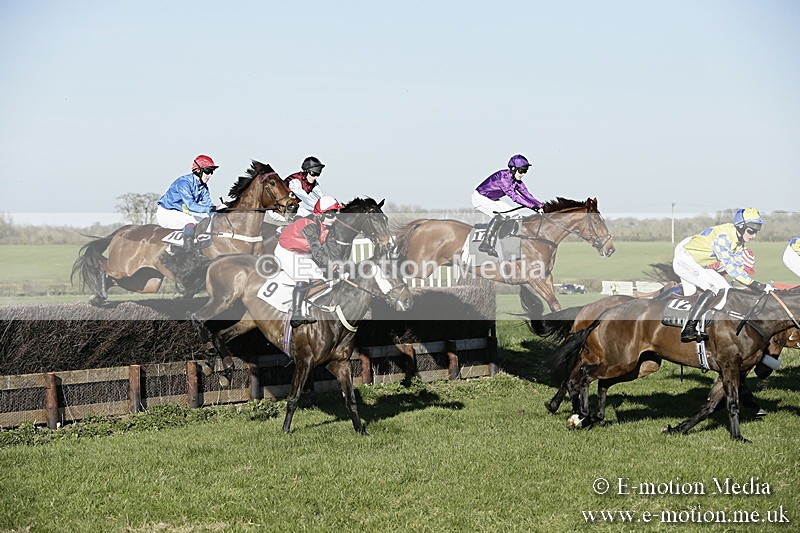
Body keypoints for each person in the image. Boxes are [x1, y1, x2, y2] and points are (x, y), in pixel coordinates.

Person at [672, 208, 773, 343]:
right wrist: (756, 285)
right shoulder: (723, 238)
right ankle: (688, 329)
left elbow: (738, 268)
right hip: (684, 261)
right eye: (751, 230)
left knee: (726, 289)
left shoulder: (738, 242)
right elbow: (732, 269)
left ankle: (713, 326)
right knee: (713, 287)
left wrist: (755, 285)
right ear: (741, 227)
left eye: (756, 231)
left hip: (697, 264)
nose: (754, 235)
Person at [275, 195, 344, 327]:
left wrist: (338, 264)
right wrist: (331, 265)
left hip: (301, 253)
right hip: (286, 251)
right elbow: (318, 252)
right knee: (303, 278)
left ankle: (309, 306)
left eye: (336, 214)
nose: (335, 218)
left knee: (320, 278)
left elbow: (333, 248)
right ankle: (296, 314)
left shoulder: (330, 227)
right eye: (331, 215)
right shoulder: (309, 225)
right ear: (320, 215)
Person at [472, 154, 544, 256]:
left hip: (492, 199)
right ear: (514, 169)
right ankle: (486, 243)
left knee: (515, 214)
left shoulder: (516, 181)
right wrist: (532, 207)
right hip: (480, 198)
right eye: (522, 170)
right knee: (501, 215)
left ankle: (505, 241)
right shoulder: (503, 178)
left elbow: (527, 194)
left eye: (525, 171)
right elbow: (515, 197)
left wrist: (540, 205)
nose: (523, 174)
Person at [156, 155, 218, 255]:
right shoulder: (183, 183)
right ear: (198, 170)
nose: (210, 175)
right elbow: (191, 206)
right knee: (192, 221)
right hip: (166, 213)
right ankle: (187, 252)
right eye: (208, 171)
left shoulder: (204, 187)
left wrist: (221, 211)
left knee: (207, 221)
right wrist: (213, 208)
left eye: (212, 172)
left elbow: (208, 207)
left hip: (181, 213)